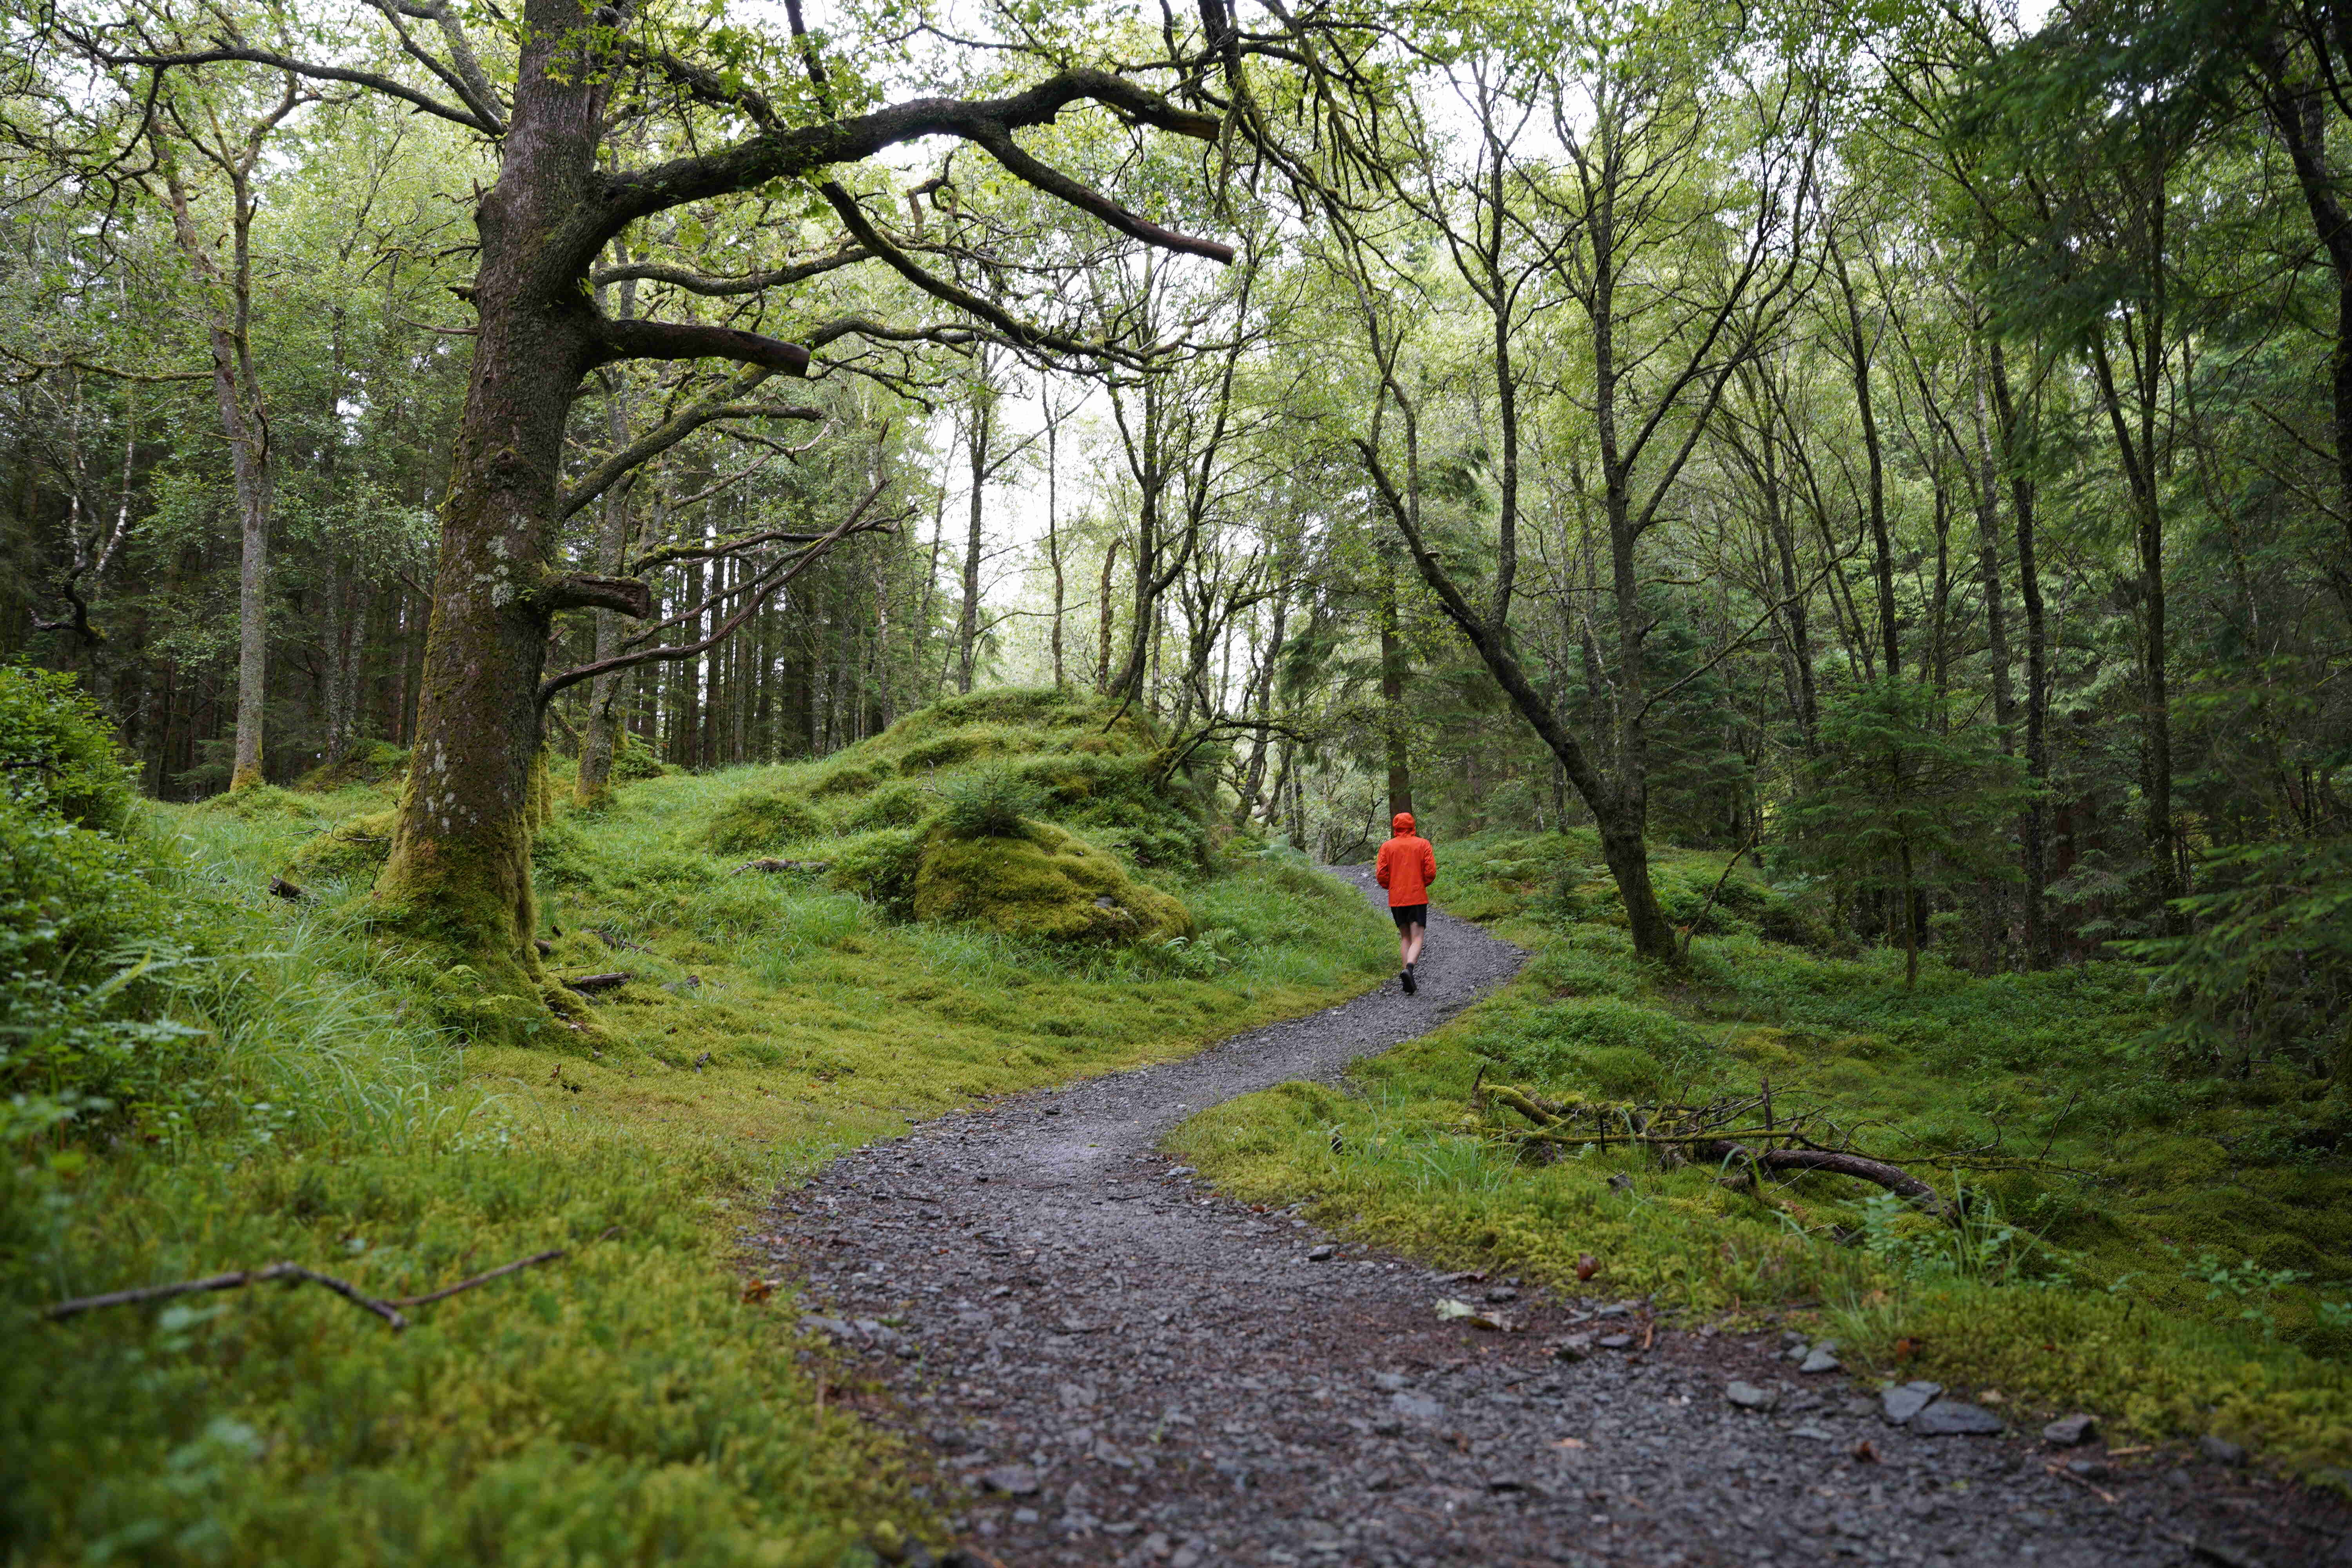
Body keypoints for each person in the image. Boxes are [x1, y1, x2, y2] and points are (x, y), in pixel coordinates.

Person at [1374, 811, 1436, 995]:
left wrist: (1392, 886)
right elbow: (1431, 871)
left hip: (1397, 898)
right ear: (1413, 826)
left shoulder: (1387, 847)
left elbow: (1381, 874)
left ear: (1395, 828)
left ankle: (1406, 978)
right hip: (1417, 897)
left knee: (1405, 937)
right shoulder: (1423, 844)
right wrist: (1421, 884)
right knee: (1417, 937)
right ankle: (1409, 969)